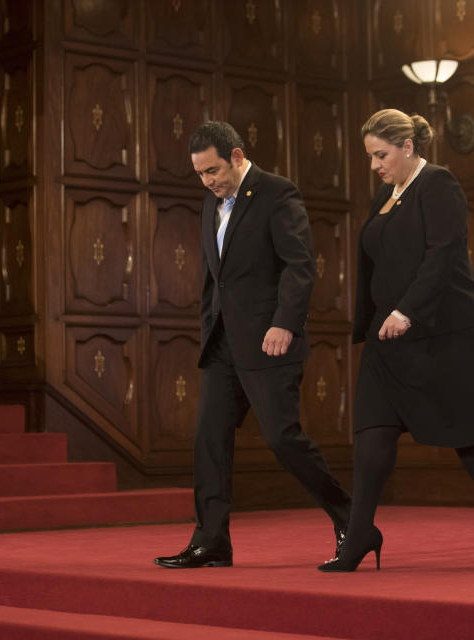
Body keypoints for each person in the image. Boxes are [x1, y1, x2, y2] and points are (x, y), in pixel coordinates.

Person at [318, 109, 474, 573]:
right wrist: (380, 318)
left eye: (382, 154)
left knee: (468, 434)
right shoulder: (384, 194)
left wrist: (406, 311)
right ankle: (359, 535)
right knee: (372, 431)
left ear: (408, 146)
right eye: (371, 156)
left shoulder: (438, 184)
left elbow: (443, 253)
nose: (375, 164)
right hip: (389, 337)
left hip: (445, 331)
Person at [154, 121, 352, 569]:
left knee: (283, 440)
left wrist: (285, 323)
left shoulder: (277, 193)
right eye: (200, 174)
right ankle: (211, 542)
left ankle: (350, 518)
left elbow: (299, 266)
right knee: (209, 440)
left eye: (213, 171)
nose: (207, 181)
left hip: (270, 342)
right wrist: (209, 328)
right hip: (222, 344)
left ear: (237, 156)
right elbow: (215, 278)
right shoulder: (210, 205)